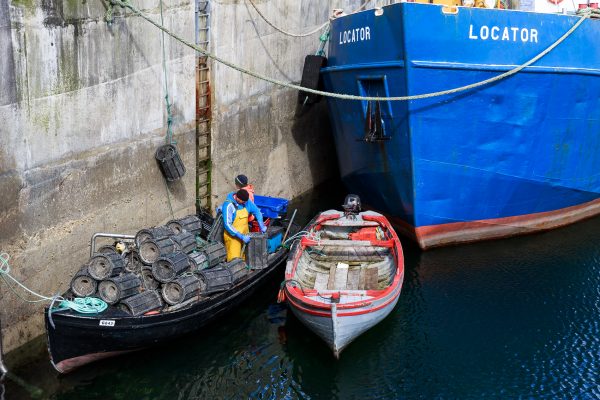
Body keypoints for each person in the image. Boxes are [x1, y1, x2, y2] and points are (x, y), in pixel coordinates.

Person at [222, 189, 266, 261]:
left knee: (245, 257)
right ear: (237, 198)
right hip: (233, 238)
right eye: (243, 202)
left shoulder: (246, 202)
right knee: (234, 261)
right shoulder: (228, 206)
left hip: (246, 235)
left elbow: (257, 211)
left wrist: (261, 224)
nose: (245, 204)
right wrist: (240, 236)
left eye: (245, 202)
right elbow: (227, 224)